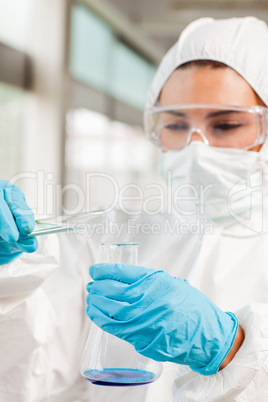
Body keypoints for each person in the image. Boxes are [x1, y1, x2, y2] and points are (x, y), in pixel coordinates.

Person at [1, 16, 268, 402]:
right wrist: (6, 274)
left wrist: (230, 350)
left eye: (225, 124)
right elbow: (24, 378)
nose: (196, 149)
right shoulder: (113, 232)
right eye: (175, 124)